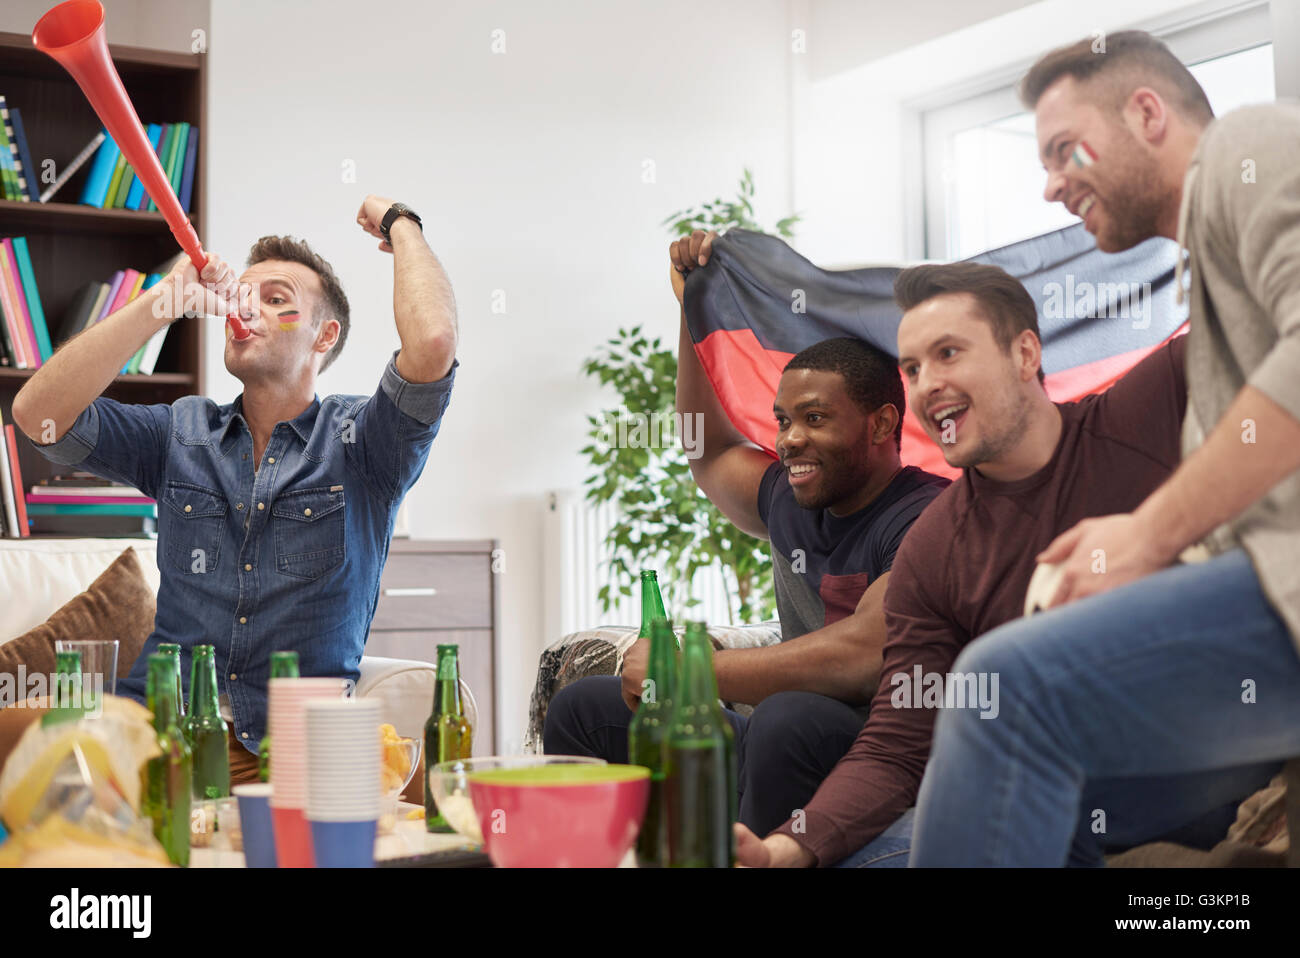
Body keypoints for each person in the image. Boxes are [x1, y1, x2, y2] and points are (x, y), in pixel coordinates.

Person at [908, 30, 1300, 866]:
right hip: (1270, 619)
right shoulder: (1210, 295)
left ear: (1147, 113)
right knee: (1044, 789)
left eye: (1061, 151)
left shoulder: (1251, 146)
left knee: (1004, 688)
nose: (1051, 185)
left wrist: (1148, 537)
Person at [734, 257, 1220, 867]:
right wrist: (788, 848)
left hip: (1206, 775)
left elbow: (1270, 346)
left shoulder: (1144, 411)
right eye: (913, 368)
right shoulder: (934, 547)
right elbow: (896, 748)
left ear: (1024, 355)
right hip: (1043, 822)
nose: (928, 382)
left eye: (949, 354)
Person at [12, 195, 457, 786]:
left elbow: (431, 344)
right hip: (152, 734)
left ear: (324, 336)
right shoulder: (180, 431)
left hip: (284, 755)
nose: (249, 310)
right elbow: (39, 416)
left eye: (278, 301)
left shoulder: (365, 444)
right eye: (244, 298)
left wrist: (401, 224)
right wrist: (161, 304)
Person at [543, 229, 948, 836]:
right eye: (783, 420)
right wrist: (692, 312)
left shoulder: (930, 516)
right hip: (775, 747)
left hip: (887, 755)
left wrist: (685, 672)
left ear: (881, 423)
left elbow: (865, 654)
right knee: (587, 708)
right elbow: (708, 452)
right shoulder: (791, 496)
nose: (788, 440)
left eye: (814, 419)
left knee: (789, 718)